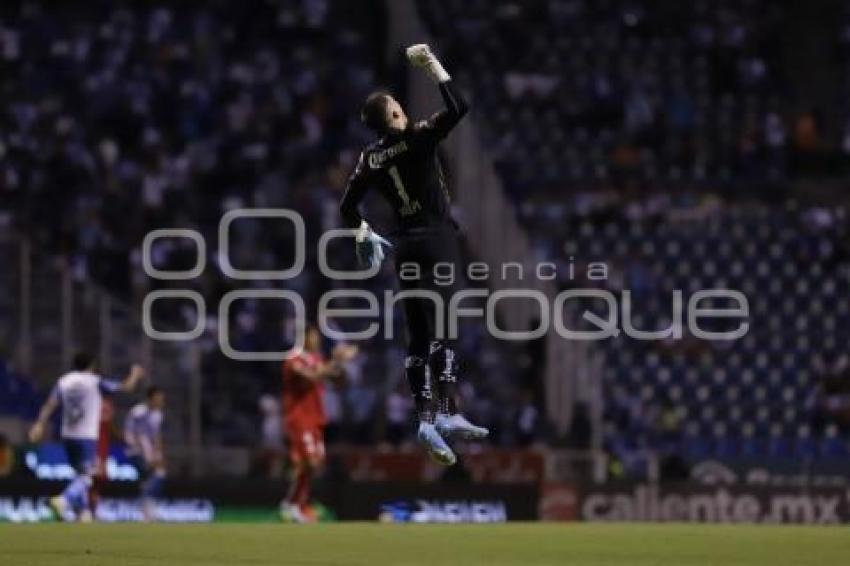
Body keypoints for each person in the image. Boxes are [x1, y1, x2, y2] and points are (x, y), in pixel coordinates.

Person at [340, 43, 488, 465]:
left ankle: (424, 420)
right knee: (446, 325)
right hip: (436, 237)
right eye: (397, 104)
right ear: (395, 115)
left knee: (418, 335)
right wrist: (434, 68)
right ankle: (448, 412)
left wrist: (362, 232)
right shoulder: (419, 138)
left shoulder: (369, 157)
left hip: (402, 247)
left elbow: (348, 208)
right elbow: (459, 107)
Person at [28, 353, 145, 522]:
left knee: (79, 474)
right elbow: (127, 387)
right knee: (87, 476)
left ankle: (83, 514)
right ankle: (63, 500)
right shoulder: (95, 381)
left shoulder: (64, 381)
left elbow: (50, 403)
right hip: (86, 436)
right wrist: (135, 374)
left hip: (68, 435)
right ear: (92, 365)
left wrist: (39, 424)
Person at [280, 325, 357, 523]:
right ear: (303, 337)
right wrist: (337, 359)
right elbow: (312, 376)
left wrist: (341, 364)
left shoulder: (315, 358)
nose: (317, 340)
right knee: (310, 462)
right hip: (299, 418)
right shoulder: (293, 359)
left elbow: (334, 378)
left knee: (314, 464)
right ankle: (294, 505)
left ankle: (296, 503)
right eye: (313, 337)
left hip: (315, 418)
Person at [124, 386, 166, 522]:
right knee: (155, 475)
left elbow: (156, 436)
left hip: (149, 451)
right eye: (157, 399)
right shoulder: (138, 412)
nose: (160, 402)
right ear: (150, 399)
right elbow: (133, 433)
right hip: (135, 450)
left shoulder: (158, 415)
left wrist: (158, 454)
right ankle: (148, 511)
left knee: (151, 478)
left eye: (161, 399)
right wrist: (144, 454)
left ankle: (148, 511)